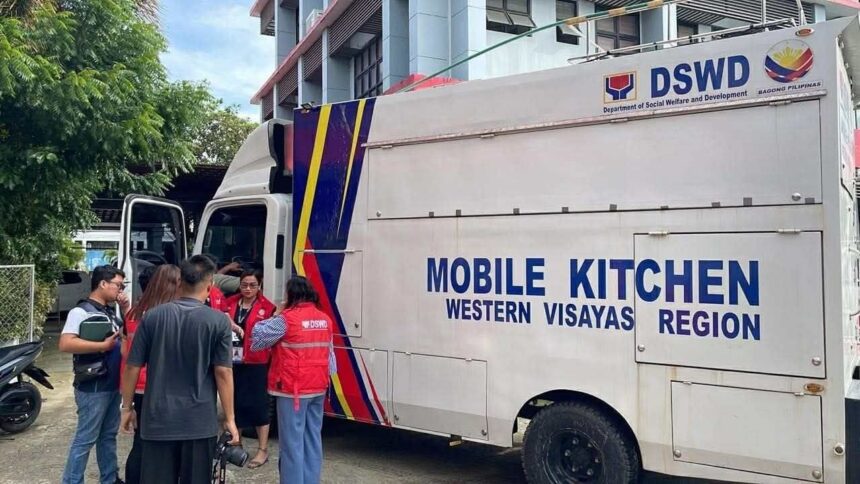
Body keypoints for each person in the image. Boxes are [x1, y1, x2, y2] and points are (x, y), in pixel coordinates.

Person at [120, 255, 239, 484]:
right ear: (210, 284)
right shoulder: (218, 321)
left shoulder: (152, 317)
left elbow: (133, 366)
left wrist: (127, 407)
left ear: (180, 281)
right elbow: (223, 372)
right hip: (198, 422)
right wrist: (230, 418)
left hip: (158, 420)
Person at [252, 276, 334, 484]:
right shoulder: (324, 319)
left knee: (291, 444)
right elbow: (330, 357)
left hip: (292, 390)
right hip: (318, 387)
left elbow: (257, 337)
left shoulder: (286, 319)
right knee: (312, 440)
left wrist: (276, 313)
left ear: (291, 295)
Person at [59, 265, 129, 484]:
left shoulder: (111, 310)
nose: (120, 290)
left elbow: (129, 335)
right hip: (93, 386)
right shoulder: (80, 312)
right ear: (103, 283)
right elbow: (65, 343)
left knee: (108, 436)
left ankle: (109, 478)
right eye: (118, 285)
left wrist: (126, 310)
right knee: (86, 438)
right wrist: (102, 346)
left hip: (112, 383)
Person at [120, 264, 181, 484]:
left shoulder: (134, 313)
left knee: (141, 441)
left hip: (138, 385)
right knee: (165, 443)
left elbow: (125, 351)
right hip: (160, 384)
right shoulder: (168, 314)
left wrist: (126, 405)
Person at [224, 270, 276, 468]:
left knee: (259, 405)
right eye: (244, 284)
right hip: (231, 361)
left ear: (259, 286)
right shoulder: (229, 303)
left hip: (257, 362)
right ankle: (236, 445)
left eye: (252, 285)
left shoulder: (267, 307)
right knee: (234, 403)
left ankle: (262, 450)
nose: (247, 289)